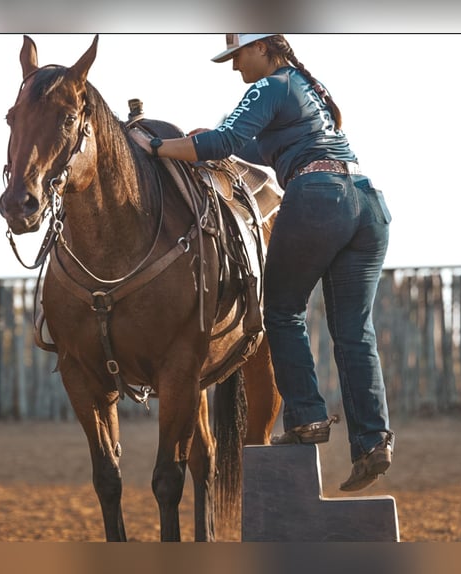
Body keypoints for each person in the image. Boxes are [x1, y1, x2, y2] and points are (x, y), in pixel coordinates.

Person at [130, 34, 394, 492]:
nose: (235, 68)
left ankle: (308, 419)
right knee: (354, 330)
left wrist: (157, 149)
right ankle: (373, 442)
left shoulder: (269, 86)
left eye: (238, 56)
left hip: (317, 198)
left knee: (281, 313)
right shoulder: (305, 88)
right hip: (367, 203)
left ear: (266, 48)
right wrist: (201, 140)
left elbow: (226, 139)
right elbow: (249, 148)